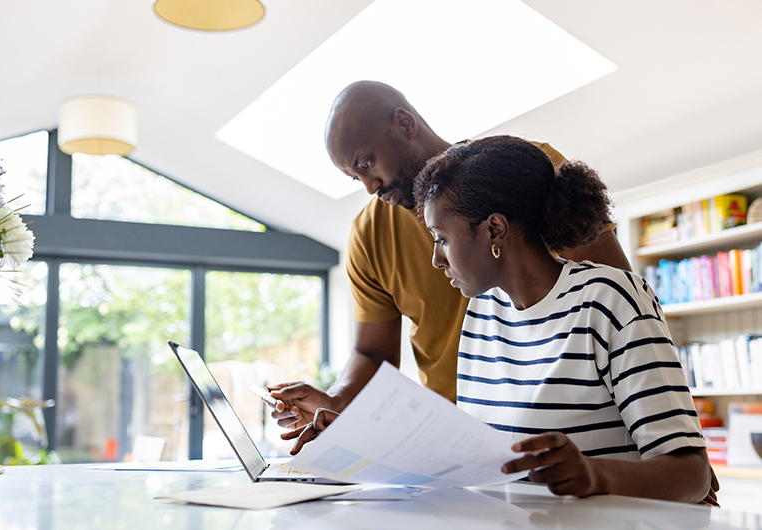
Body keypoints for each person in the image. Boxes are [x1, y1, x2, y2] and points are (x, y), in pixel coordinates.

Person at [284, 135, 716, 504]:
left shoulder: (611, 299)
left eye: (443, 239)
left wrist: (593, 475)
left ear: (494, 231)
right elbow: (478, 459)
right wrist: (356, 440)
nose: (436, 259)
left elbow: (692, 475)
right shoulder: (482, 315)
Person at [268, 81, 631, 430]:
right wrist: (334, 402)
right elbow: (372, 354)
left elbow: (616, 298)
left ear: (405, 123)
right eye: (354, 178)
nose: (369, 187)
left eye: (366, 164)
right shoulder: (368, 234)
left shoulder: (524, 172)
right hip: (455, 436)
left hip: (563, 417)